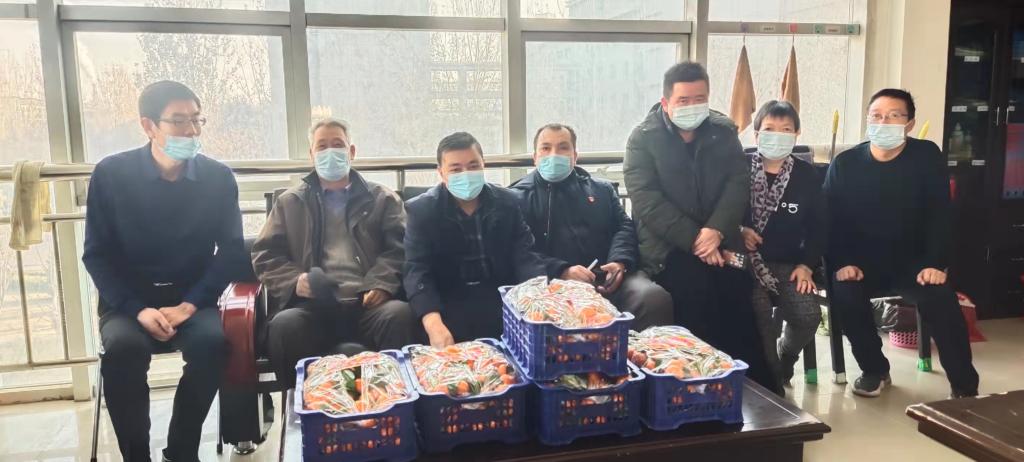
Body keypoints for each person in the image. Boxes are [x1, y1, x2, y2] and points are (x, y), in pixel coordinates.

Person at [82, 80, 245, 462]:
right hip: (129, 304)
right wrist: (137, 309)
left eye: (197, 120)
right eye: (178, 121)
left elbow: (232, 251)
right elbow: (96, 255)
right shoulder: (111, 174)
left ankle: (182, 451)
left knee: (213, 344)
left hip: (192, 299)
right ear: (148, 126)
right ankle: (136, 455)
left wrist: (190, 305)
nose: (191, 131)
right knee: (123, 351)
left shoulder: (217, 178)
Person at [623, 62, 779, 392]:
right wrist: (696, 239)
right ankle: (702, 389)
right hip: (669, 248)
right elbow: (647, 201)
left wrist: (716, 231)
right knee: (696, 295)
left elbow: (737, 184)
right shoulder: (643, 139)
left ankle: (760, 393)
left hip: (721, 242)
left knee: (738, 295)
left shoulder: (723, 131)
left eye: (699, 99)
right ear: (666, 102)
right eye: (683, 100)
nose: (692, 106)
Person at [825, 88, 980, 398]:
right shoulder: (846, 164)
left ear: (909, 124)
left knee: (941, 299)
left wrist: (936, 263)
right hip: (862, 263)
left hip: (915, 263)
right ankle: (874, 370)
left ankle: (964, 387)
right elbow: (830, 220)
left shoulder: (926, 157)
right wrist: (842, 262)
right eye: (877, 116)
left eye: (894, 116)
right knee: (846, 294)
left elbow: (940, 214)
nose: (883, 122)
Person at [251, 118, 414, 387]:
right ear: (311, 154)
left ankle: (395, 401)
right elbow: (265, 255)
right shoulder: (290, 203)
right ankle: (304, 406)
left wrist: (382, 284)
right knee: (285, 326)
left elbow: (401, 248)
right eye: (322, 146)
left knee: (400, 315)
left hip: (369, 303)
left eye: (338, 145)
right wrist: (295, 281)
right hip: (314, 305)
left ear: (352, 151)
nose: (330, 152)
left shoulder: (383, 199)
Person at [511, 123, 673, 331]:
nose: (554, 154)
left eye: (563, 147)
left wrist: (619, 261)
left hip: (606, 281)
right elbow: (520, 252)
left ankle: (646, 351)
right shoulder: (517, 198)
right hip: (551, 287)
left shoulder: (601, 190)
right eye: (546, 148)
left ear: (575, 155)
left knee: (653, 299)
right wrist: (562, 271)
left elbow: (623, 226)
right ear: (535, 157)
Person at [404, 132, 546, 347]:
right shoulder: (422, 211)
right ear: (441, 172)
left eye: (473, 166)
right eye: (456, 169)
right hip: (448, 301)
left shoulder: (508, 202)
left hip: (500, 299)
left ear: (483, 164)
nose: (466, 174)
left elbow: (525, 256)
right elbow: (417, 270)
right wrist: (433, 324)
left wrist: (537, 296)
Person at [741, 101, 826, 391]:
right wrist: (739, 231)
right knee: (760, 314)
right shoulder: (739, 169)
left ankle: (785, 357)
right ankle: (772, 381)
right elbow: (721, 212)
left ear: (797, 134)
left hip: (790, 264)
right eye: (769, 129)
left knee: (808, 315)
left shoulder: (807, 175)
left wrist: (806, 265)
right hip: (746, 262)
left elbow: (819, 227)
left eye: (786, 129)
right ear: (756, 135)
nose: (777, 135)